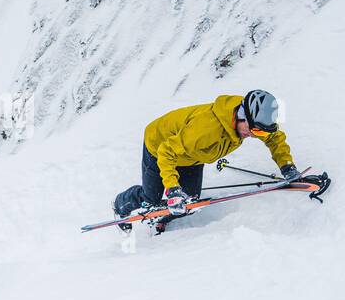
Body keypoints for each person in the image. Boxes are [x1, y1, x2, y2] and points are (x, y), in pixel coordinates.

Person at [113, 89, 300, 231]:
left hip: (191, 155)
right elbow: (166, 152)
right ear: (241, 117)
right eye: (256, 131)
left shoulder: (249, 122)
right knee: (151, 198)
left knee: (190, 202)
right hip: (160, 146)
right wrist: (172, 189)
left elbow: (274, 138)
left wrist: (286, 166)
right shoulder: (206, 130)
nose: (255, 135)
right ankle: (120, 204)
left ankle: (159, 217)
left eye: (260, 132)